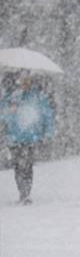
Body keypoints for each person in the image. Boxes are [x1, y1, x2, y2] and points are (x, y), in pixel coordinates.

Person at [0, 73, 54, 205]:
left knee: (27, 166)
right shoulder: (10, 97)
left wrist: (48, 133)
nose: (23, 83)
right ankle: (22, 192)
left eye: (26, 80)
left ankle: (26, 193)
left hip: (31, 137)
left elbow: (47, 115)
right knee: (18, 166)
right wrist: (9, 110)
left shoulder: (38, 96)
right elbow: (3, 117)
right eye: (21, 80)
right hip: (14, 138)